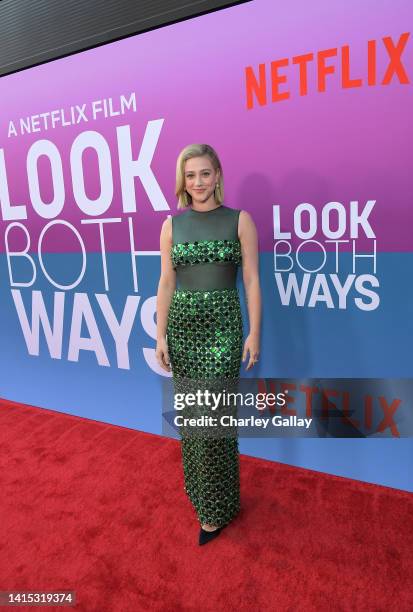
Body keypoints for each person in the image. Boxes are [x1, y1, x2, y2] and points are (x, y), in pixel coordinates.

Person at [156, 144, 261, 545]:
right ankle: (205, 497)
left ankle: (217, 510)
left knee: (215, 420)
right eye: (189, 175)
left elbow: (251, 279)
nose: (197, 182)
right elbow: (166, 281)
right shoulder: (172, 226)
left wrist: (254, 332)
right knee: (193, 421)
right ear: (183, 181)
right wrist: (160, 333)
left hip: (223, 327)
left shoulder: (239, 221)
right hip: (183, 327)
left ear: (217, 173)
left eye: (204, 173)